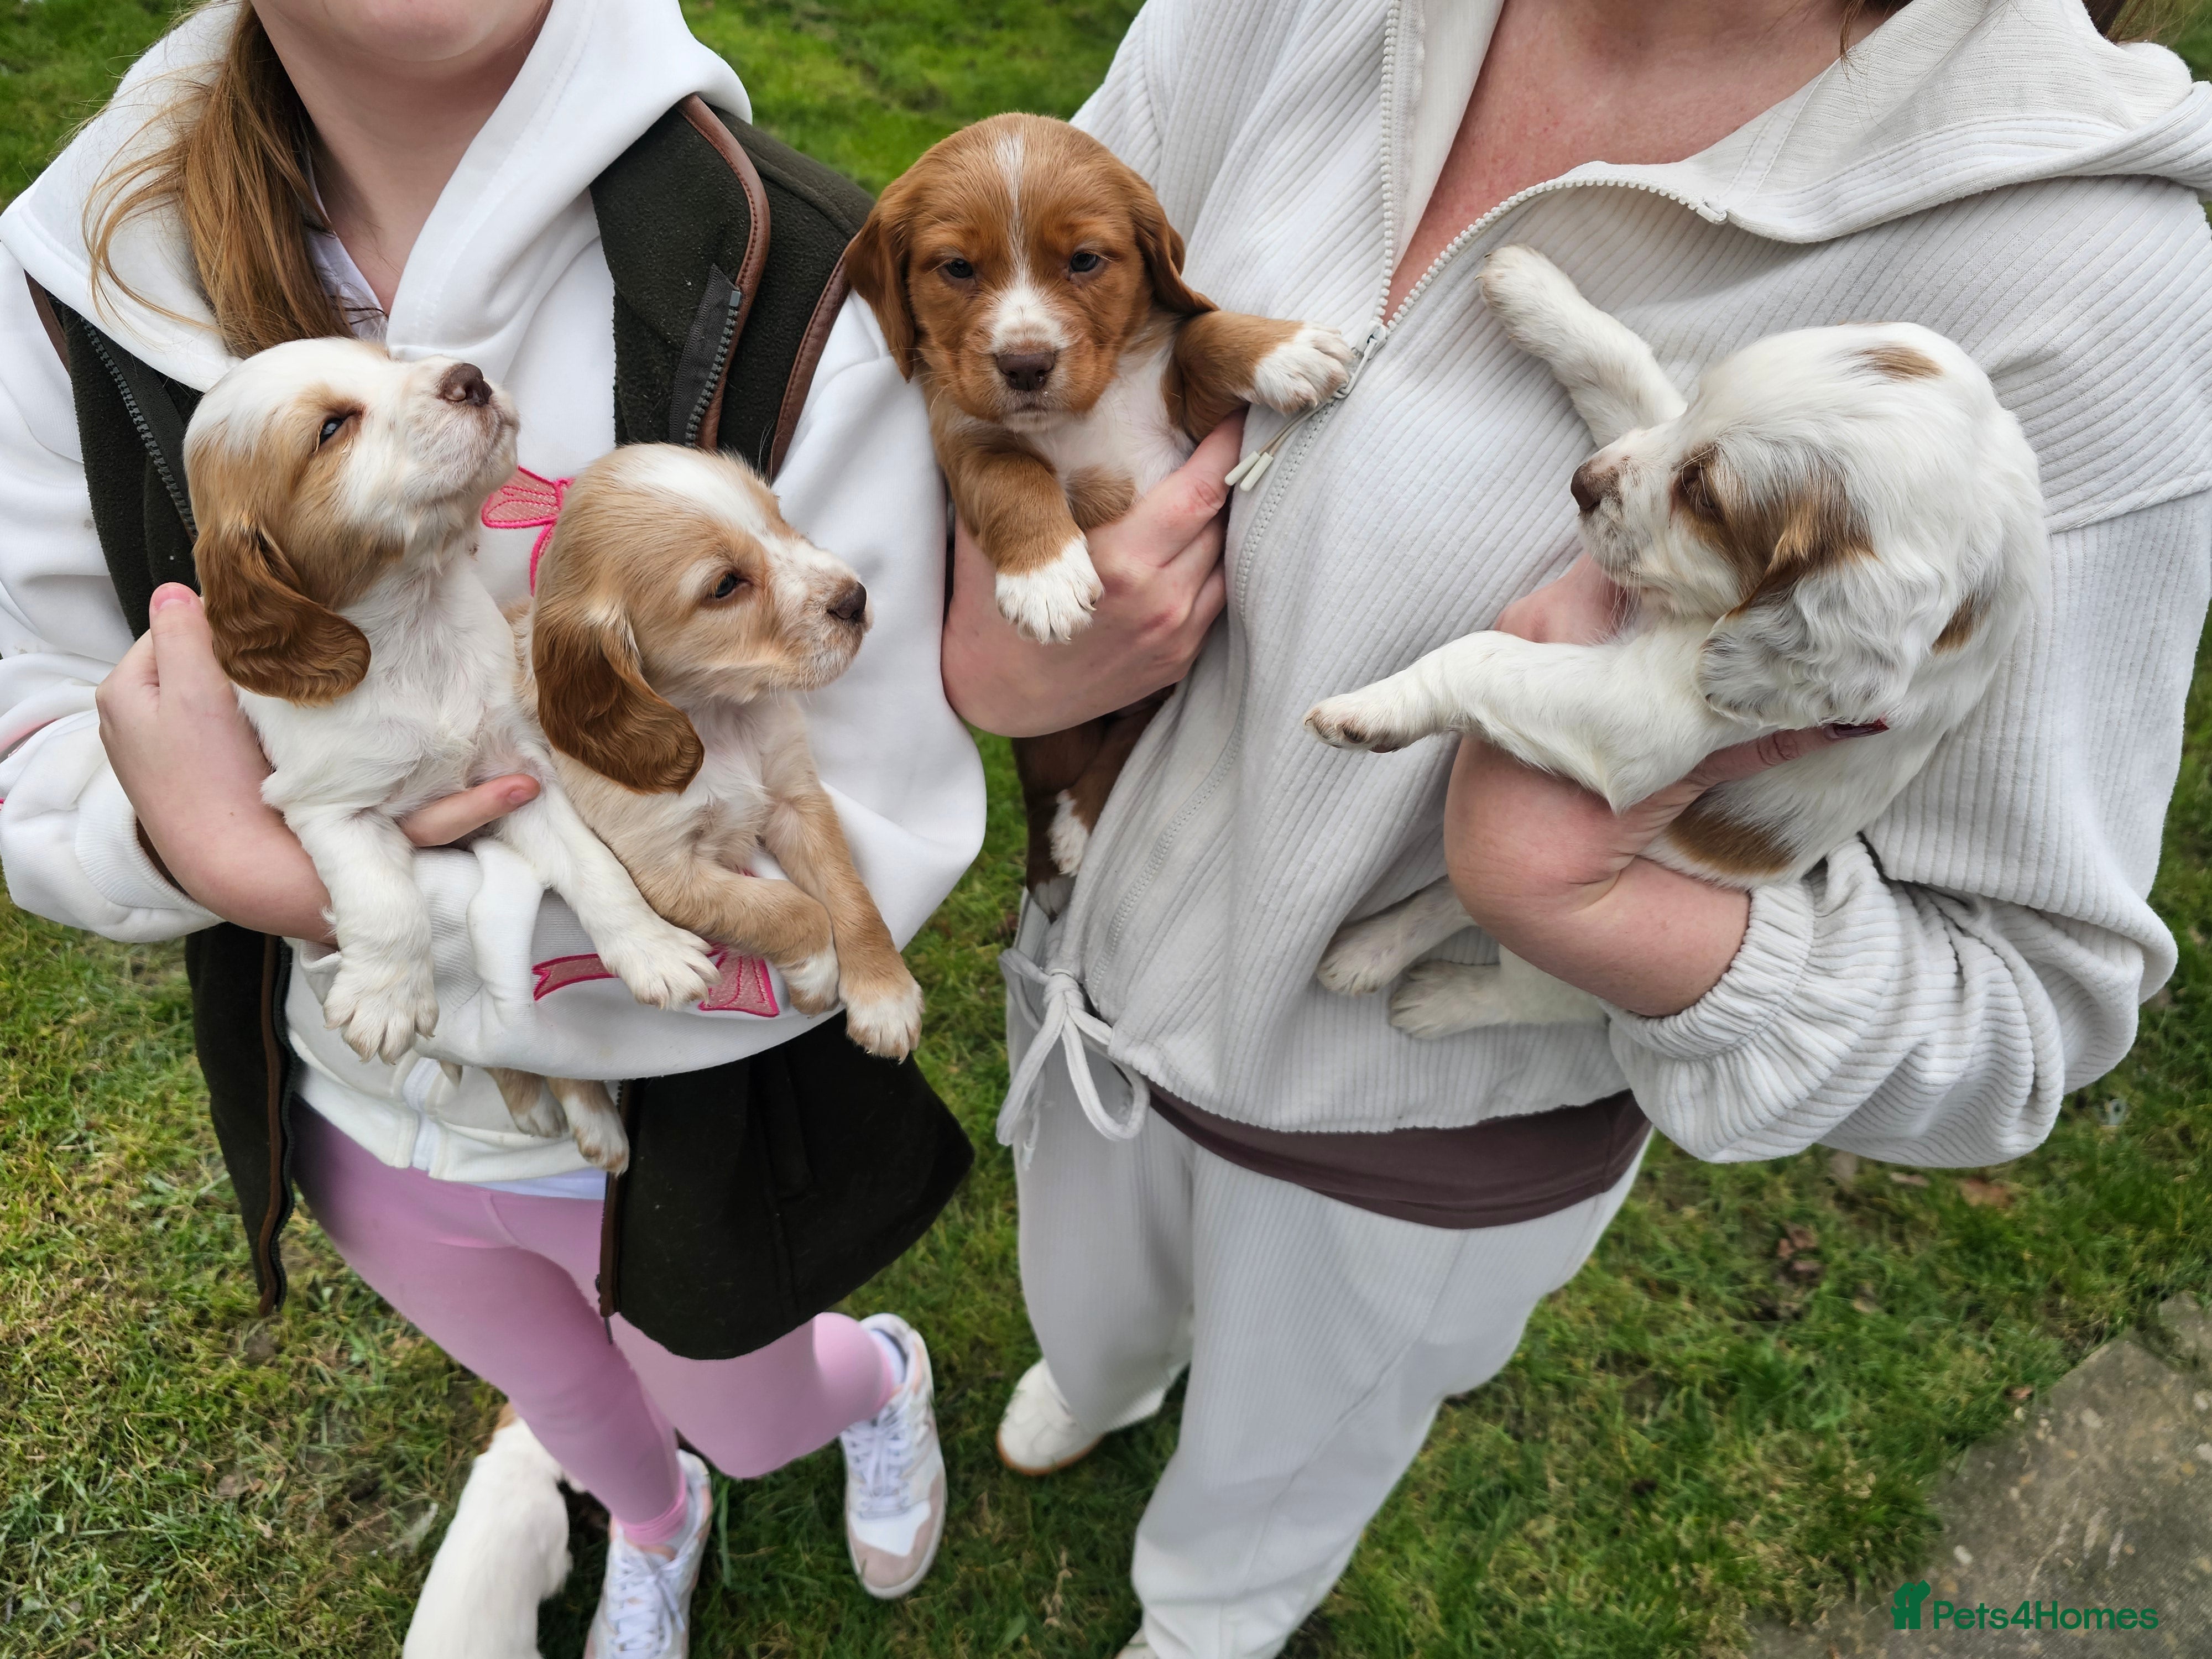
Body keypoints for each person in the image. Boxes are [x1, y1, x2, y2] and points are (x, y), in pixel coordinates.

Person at [950, 1, 2212, 1655]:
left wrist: (1586, 907)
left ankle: (1208, 1620)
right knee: (1091, 1313)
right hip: (1087, 1006)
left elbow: (2027, 1009)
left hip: (1413, 1152)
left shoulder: (2095, 271)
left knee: (1274, 1480)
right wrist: (991, 645)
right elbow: (990, 351)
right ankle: (1111, 1372)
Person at [0, 0, 984, 1650]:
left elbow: (853, 829)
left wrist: (288, 882)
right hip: (355, 1125)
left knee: (740, 1400)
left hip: (694, 1117)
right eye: (335, 421)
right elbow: (33, 723)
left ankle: (872, 1376)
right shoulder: (62, 284)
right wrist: (170, 843)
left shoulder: (799, 263)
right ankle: (647, 1525)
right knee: (567, 1403)